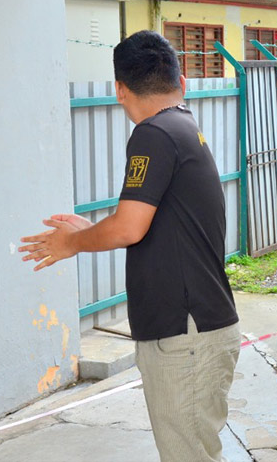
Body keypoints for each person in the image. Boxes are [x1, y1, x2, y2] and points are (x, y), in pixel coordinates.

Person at [19, 31, 240, 461]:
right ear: (181, 80)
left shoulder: (154, 133)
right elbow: (149, 222)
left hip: (184, 335)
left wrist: (73, 242)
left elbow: (130, 228)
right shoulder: (183, 126)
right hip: (198, 328)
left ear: (120, 89)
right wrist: (94, 228)